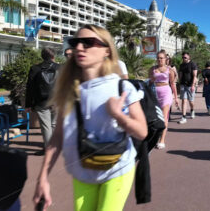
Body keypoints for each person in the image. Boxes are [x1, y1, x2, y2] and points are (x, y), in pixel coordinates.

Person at [33, 25, 148, 211]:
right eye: (76, 42)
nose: (79, 48)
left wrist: (119, 115)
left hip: (117, 169)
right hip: (82, 171)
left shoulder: (122, 88)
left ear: (106, 50)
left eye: (88, 43)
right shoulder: (69, 91)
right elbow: (57, 137)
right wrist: (43, 178)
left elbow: (142, 132)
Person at [25, 48, 60, 155]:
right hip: (57, 101)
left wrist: (28, 104)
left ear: (42, 56)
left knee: (46, 126)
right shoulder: (60, 68)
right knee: (54, 124)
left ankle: (49, 149)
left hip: (41, 102)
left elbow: (30, 88)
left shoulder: (35, 68)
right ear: (53, 56)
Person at [149, 50, 178, 149]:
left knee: (164, 117)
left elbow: (173, 84)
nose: (159, 60)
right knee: (156, 117)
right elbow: (150, 82)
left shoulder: (170, 70)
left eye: (161, 58)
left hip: (166, 92)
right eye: (158, 58)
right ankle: (155, 136)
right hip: (155, 92)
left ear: (166, 59)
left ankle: (162, 140)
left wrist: (176, 97)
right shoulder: (152, 69)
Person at [177, 52, 197, 124]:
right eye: (183, 57)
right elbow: (180, 75)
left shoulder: (192, 64)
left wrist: (193, 85)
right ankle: (184, 117)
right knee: (184, 100)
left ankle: (192, 110)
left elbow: (195, 76)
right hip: (183, 85)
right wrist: (179, 83)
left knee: (191, 101)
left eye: (185, 57)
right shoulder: (181, 65)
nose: (183, 59)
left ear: (189, 57)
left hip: (190, 85)